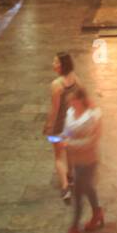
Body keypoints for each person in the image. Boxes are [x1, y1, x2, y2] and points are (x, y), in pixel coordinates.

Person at [58, 87, 103, 233]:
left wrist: (70, 144)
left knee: (78, 194)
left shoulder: (91, 118)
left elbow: (91, 142)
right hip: (76, 161)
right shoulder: (71, 112)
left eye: (73, 100)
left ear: (80, 100)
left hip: (88, 161)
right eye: (69, 101)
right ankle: (98, 212)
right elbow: (68, 130)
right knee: (88, 187)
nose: (70, 104)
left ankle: (73, 231)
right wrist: (64, 136)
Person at [42, 52, 81, 203]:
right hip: (72, 124)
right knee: (69, 150)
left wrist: (49, 126)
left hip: (59, 126)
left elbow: (55, 110)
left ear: (62, 65)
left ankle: (65, 187)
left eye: (56, 62)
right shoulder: (75, 79)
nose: (53, 64)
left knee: (59, 156)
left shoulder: (57, 85)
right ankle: (71, 176)